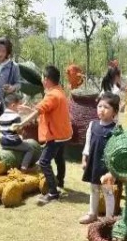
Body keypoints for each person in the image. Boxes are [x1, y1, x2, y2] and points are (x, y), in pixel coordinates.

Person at [13, 66, 72, 204]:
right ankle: (60, 182)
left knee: (44, 162)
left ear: (46, 80)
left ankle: (53, 192)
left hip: (55, 135)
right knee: (59, 159)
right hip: (63, 134)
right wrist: (28, 109)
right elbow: (44, 109)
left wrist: (21, 124)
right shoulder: (59, 91)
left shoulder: (52, 95)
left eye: (42, 77)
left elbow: (39, 111)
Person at [79, 92, 120, 224]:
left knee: (107, 191)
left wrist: (113, 170)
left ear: (115, 112)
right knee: (94, 188)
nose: (101, 109)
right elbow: (88, 143)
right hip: (94, 163)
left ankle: (109, 218)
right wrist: (84, 158)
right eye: (99, 106)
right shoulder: (93, 125)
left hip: (107, 167)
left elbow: (118, 151)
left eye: (106, 107)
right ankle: (92, 214)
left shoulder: (116, 129)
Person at [0, 93, 36, 171]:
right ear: (13, 105)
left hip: (3, 143)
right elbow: (19, 131)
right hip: (13, 142)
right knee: (30, 149)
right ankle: (24, 167)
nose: (19, 108)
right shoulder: (16, 116)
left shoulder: (1, 117)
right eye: (19, 105)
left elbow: (1, 130)